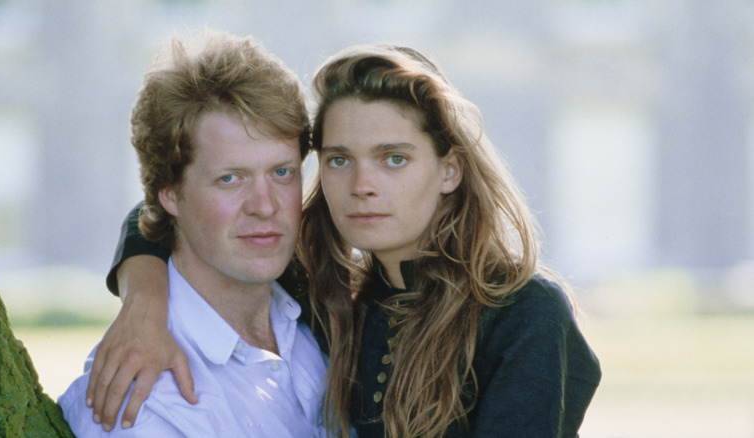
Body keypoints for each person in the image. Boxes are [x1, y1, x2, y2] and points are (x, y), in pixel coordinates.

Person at [91, 44, 602, 437]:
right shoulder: (328, 295)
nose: (362, 186)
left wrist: (143, 299)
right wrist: (145, 300)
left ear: (450, 169)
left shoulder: (521, 314)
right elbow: (180, 211)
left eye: (393, 158)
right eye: (339, 159)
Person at [59, 29, 330, 437]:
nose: (265, 204)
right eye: (230, 179)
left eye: (281, 172)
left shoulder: (321, 309)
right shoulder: (144, 404)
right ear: (169, 194)